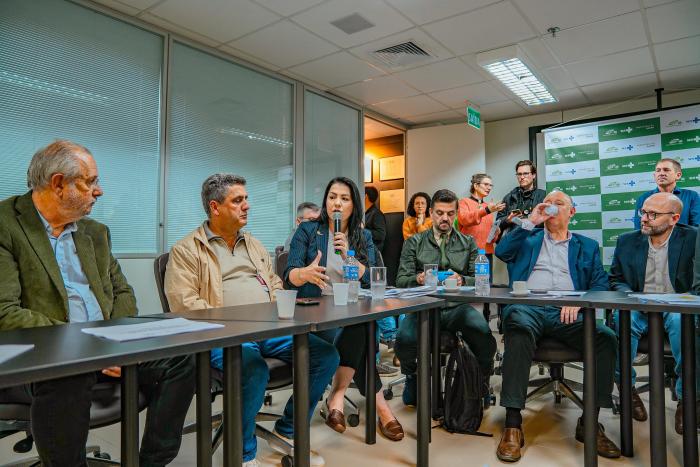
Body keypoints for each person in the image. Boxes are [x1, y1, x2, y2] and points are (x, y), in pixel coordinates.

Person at [0, 140, 195, 466]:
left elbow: (122, 292)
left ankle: (152, 462)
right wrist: (87, 345)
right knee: (71, 372)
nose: (98, 191)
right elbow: (5, 312)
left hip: (103, 349)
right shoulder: (6, 224)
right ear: (58, 184)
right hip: (38, 359)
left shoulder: (96, 232)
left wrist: (115, 343)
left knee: (181, 357)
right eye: (89, 182)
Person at [164, 174, 338, 467]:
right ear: (215, 207)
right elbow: (185, 306)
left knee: (325, 355)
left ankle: (288, 428)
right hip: (222, 335)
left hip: (267, 328)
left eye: (246, 199)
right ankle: (243, 455)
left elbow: (274, 283)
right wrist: (238, 326)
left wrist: (285, 303)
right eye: (238, 200)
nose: (247, 205)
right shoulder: (187, 250)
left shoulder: (254, 245)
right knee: (253, 369)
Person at [494, 190, 620, 462]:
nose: (551, 207)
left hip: (568, 312)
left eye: (558, 204)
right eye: (547, 203)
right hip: (528, 307)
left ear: (572, 212)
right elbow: (501, 252)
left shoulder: (587, 246)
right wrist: (531, 221)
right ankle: (513, 425)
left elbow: (600, 283)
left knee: (605, 338)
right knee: (518, 327)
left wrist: (579, 301)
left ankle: (590, 422)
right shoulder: (528, 237)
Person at [285, 177, 404, 442]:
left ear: (354, 205)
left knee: (361, 324)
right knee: (363, 333)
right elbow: (288, 274)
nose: (337, 203)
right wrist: (303, 274)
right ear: (325, 201)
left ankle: (336, 396)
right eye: (332, 197)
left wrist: (349, 257)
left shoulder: (363, 236)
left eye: (344, 198)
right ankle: (381, 408)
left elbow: (374, 279)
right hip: (316, 314)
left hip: (351, 311)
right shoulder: (308, 231)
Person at [395, 189, 496, 407]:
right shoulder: (414, 242)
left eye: (450, 214)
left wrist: (463, 279)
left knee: (484, 334)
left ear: (456, 214)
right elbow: (401, 280)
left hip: (457, 307)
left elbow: (481, 279)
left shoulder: (468, 242)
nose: (445, 218)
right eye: (440, 213)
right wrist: (418, 278)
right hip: (423, 307)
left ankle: (481, 382)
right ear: (431, 212)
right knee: (403, 340)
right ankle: (412, 376)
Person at [610, 192, 700, 434]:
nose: (644, 219)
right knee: (622, 318)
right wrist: (631, 296)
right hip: (640, 306)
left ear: (674, 218)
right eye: (643, 212)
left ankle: (687, 399)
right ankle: (627, 390)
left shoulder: (693, 238)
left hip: (677, 306)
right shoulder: (627, 241)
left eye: (653, 214)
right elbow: (616, 279)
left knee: (681, 320)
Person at [458, 173, 505, 273]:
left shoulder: (488, 206)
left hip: (486, 253)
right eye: (486, 184)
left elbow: (490, 238)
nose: (489, 188)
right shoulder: (464, 202)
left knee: (486, 282)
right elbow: (464, 219)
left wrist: (496, 232)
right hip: (470, 253)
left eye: (491, 185)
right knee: (470, 282)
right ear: (476, 185)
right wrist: (486, 210)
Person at [633, 158, 700, 229]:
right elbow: (639, 229)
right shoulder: (643, 198)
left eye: (666, 170)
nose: (661, 173)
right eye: (658, 170)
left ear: (678, 175)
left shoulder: (692, 196)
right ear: (654, 175)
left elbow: (696, 228)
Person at [495, 160, 546, 237]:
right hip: (514, 240)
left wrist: (531, 221)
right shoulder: (509, 197)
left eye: (525, 173)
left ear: (533, 175)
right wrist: (508, 219)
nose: (522, 177)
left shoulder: (543, 196)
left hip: (536, 240)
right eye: (519, 174)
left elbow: (549, 221)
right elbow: (498, 222)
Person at [364, 185, 386, 252]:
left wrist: (363, 230)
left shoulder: (377, 214)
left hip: (372, 252)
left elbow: (380, 235)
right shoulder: (366, 213)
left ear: (365, 196)